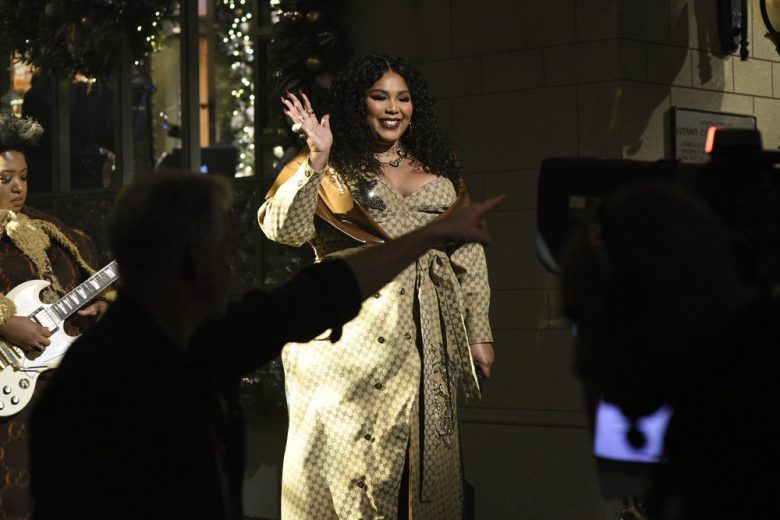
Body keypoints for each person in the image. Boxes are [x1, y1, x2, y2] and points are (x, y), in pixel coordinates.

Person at [28, 171, 504, 519]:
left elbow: (318, 294)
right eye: (220, 250)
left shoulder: (205, 341)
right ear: (192, 260)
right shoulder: (93, 386)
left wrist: (431, 235)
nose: (228, 267)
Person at [258, 53, 495, 519]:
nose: (392, 109)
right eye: (379, 97)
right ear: (358, 103)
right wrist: (317, 160)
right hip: (349, 335)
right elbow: (284, 229)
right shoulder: (329, 162)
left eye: (403, 98)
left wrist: (478, 331)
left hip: (425, 334)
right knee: (348, 461)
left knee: (418, 464)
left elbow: (467, 248)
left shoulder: (440, 165)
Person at [558, 182, 779, 519]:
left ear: (641, 298)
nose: (580, 363)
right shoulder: (720, 420)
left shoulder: (736, 447)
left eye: (586, 323)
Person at [0, 112, 111, 518]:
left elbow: (94, 282)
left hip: (65, 389)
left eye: (24, 177)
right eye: (5, 178)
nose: (18, 187)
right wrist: (5, 323)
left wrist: (102, 305)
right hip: (10, 395)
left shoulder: (50, 229)